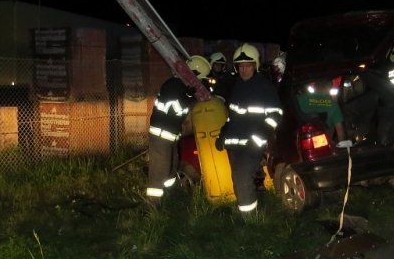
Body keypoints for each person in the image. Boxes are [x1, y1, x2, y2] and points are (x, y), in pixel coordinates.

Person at [216, 43, 283, 215]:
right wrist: (224, 133)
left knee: (242, 179)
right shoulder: (238, 86)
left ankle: (249, 219)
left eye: (248, 65)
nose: (244, 70)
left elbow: (275, 115)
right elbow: (234, 115)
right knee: (237, 179)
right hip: (235, 145)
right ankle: (246, 210)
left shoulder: (264, 87)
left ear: (255, 65)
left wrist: (258, 139)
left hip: (251, 144)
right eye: (240, 66)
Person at [145, 55, 211, 205]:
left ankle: (171, 196)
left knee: (172, 168)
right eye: (199, 79)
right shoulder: (174, 85)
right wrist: (187, 98)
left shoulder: (182, 87)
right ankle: (151, 204)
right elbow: (173, 109)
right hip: (162, 135)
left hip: (171, 136)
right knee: (159, 170)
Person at [295, 79, 350, 146]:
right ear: (329, 87)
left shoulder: (299, 99)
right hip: (322, 145)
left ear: (315, 86)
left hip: (301, 141)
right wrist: (343, 148)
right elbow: (340, 131)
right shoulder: (333, 104)